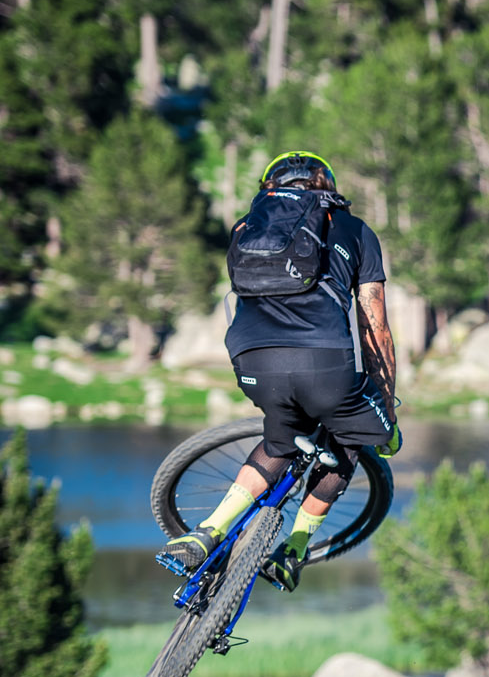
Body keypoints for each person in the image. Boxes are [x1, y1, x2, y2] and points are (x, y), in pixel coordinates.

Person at [160, 151, 400, 591]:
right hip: (323, 364)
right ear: (325, 185)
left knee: (281, 437)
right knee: (352, 438)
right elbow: (375, 326)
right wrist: (385, 407)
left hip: (250, 360)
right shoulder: (355, 229)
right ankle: (293, 549)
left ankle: (207, 530)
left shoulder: (249, 226)